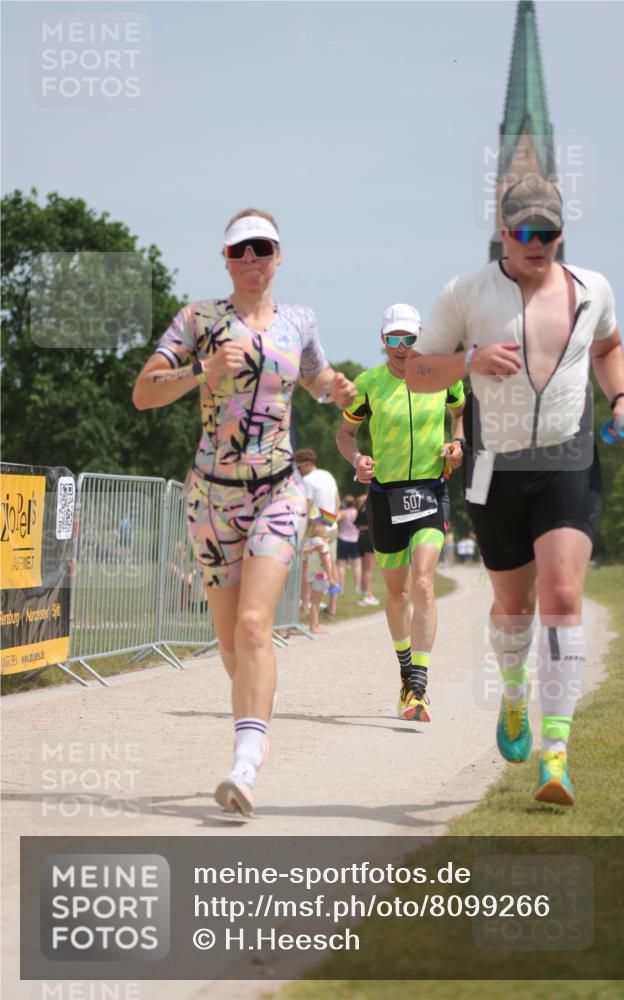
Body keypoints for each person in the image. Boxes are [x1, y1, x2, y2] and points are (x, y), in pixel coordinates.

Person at [405, 175, 624, 805]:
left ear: (563, 233)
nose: (537, 243)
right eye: (524, 232)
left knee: (563, 593)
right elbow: (417, 373)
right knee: (514, 608)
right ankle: (513, 697)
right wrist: (470, 361)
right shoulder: (466, 292)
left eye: (549, 232)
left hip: (569, 458)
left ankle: (556, 752)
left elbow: (611, 346)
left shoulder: (594, 290)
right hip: (494, 466)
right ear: (502, 233)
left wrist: (620, 396)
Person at [132, 208, 356, 817]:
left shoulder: (299, 321)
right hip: (210, 496)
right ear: (226, 260)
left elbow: (316, 379)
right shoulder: (197, 320)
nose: (252, 259)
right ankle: (253, 712)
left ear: (279, 256)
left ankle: (244, 764)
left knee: (256, 627)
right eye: (240, 251)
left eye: (263, 248)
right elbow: (144, 392)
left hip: (278, 490)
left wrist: (338, 390)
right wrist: (202, 369)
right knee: (232, 643)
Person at [336, 303, 465, 722]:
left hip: (429, 489)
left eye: (410, 338)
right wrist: (356, 459)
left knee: (424, 584)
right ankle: (406, 672)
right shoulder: (368, 384)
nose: (403, 347)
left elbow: (459, 414)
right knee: (398, 593)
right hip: (384, 496)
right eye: (395, 338)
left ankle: (420, 686)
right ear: (383, 339)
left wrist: (458, 444)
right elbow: (345, 433)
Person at [294, 449, 341, 616]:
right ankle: (332, 606)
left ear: (307, 464)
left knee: (311, 567)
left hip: (315, 528)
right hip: (331, 525)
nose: (298, 471)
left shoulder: (307, 480)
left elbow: (307, 507)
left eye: (299, 467)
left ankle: (307, 605)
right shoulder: (327, 475)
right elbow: (337, 501)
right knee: (331, 563)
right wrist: (331, 521)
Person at [355, 492, 380, 605]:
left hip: (361, 536)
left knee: (364, 568)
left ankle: (365, 593)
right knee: (369, 569)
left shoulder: (360, 499)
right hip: (370, 536)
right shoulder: (375, 497)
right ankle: (365, 595)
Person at [337, 495, 362, 595]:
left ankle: (341, 588)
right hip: (355, 540)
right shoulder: (357, 512)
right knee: (357, 566)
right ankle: (357, 588)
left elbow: (335, 519)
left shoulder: (343, 512)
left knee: (341, 565)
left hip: (342, 539)